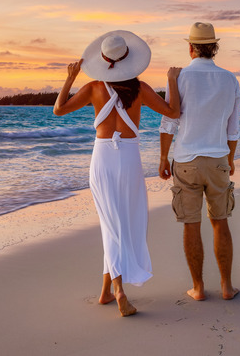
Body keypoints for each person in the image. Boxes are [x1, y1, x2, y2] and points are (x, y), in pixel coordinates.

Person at [54, 30, 181, 317]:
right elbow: (173, 112)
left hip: (102, 159)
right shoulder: (141, 89)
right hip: (129, 158)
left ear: (103, 61)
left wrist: (70, 78)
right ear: (129, 60)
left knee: (110, 223)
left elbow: (58, 110)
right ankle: (115, 290)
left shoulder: (93, 88)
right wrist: (172, 81)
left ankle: (110, 292)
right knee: (122, 223)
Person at [158, 22, 240, 301]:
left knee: (191, 224)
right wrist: (230, 159)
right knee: (220, 221)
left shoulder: (179, 77)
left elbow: (169, 121)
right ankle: (227, 287)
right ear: (214, 47)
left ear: (191, 48)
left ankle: (198, 288)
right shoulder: (230, 79)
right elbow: (233, 129)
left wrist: (163, 158)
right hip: (218, 158)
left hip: (186, 160)